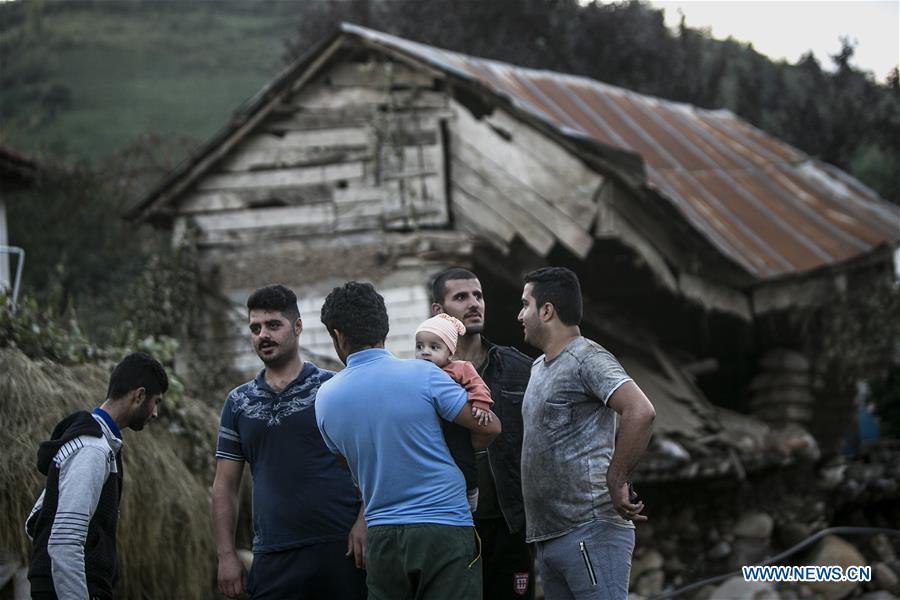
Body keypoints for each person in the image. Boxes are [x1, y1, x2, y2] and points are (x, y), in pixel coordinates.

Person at [315, 281, 501, 600]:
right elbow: (490, 428)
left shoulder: (324, 399)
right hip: (444, 527)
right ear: (384, 330)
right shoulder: (425, 376)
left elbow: (349, 464)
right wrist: (456, 446)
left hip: (382, 535)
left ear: (338, 336)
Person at [211, 284, 366, 600]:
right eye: (255, 328)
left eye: (273, 325)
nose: (263, 335)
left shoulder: (333, 388)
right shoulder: (238, 403)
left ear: (297, 327)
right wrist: (226, 555)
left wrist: (365, 522)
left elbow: (369, 462)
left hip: (340, 547)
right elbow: (224, 486)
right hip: (272, 554)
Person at [517, 267, 656, 600]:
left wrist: (617, 478)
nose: (519, 315)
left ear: (546, 310)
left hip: (589, 530)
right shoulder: (538, 368)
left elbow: (641, 411)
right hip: (551, 537)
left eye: (525, 305)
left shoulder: (587, 358)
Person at [26, 352, 169, 599]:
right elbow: (64, 541)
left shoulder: (89, 442)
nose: (155, 412)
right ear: (139, 395)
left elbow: (35, 522)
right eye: (156, 401)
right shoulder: (92, 449)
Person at [430, 267, 535, 599]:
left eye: (478, 295)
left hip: (511, 526)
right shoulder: (423, 378)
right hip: (453, 527)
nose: (474, 303)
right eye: (461, 297)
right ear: (439, 312)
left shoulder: (519, 368)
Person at [415, 312, 494, 512]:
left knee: (464, 459)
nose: (425, 352)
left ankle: (471, 491)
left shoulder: (459, 368)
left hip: (457, 425)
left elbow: (478, 386)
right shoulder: (415, 371)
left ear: (450, 352)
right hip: (431, 427)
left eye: (434, 347)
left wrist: (481, 404)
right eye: (420, 346)